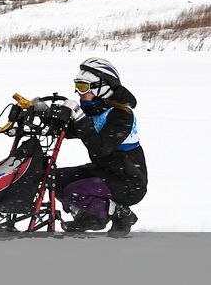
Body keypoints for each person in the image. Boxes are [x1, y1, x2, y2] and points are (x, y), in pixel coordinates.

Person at [54, 57, 146, 236]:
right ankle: (86, 213)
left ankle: (118, 213)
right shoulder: (94, 109)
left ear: (102, 87)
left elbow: (100, 148)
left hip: (127, 182)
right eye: (77, 86)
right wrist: (48, 116)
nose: (79, 92)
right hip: (101, 172)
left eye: (83, 87)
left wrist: (79, 118)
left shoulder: (121, 115)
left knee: (75, 192)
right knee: (53, 179)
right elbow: (70, 131)